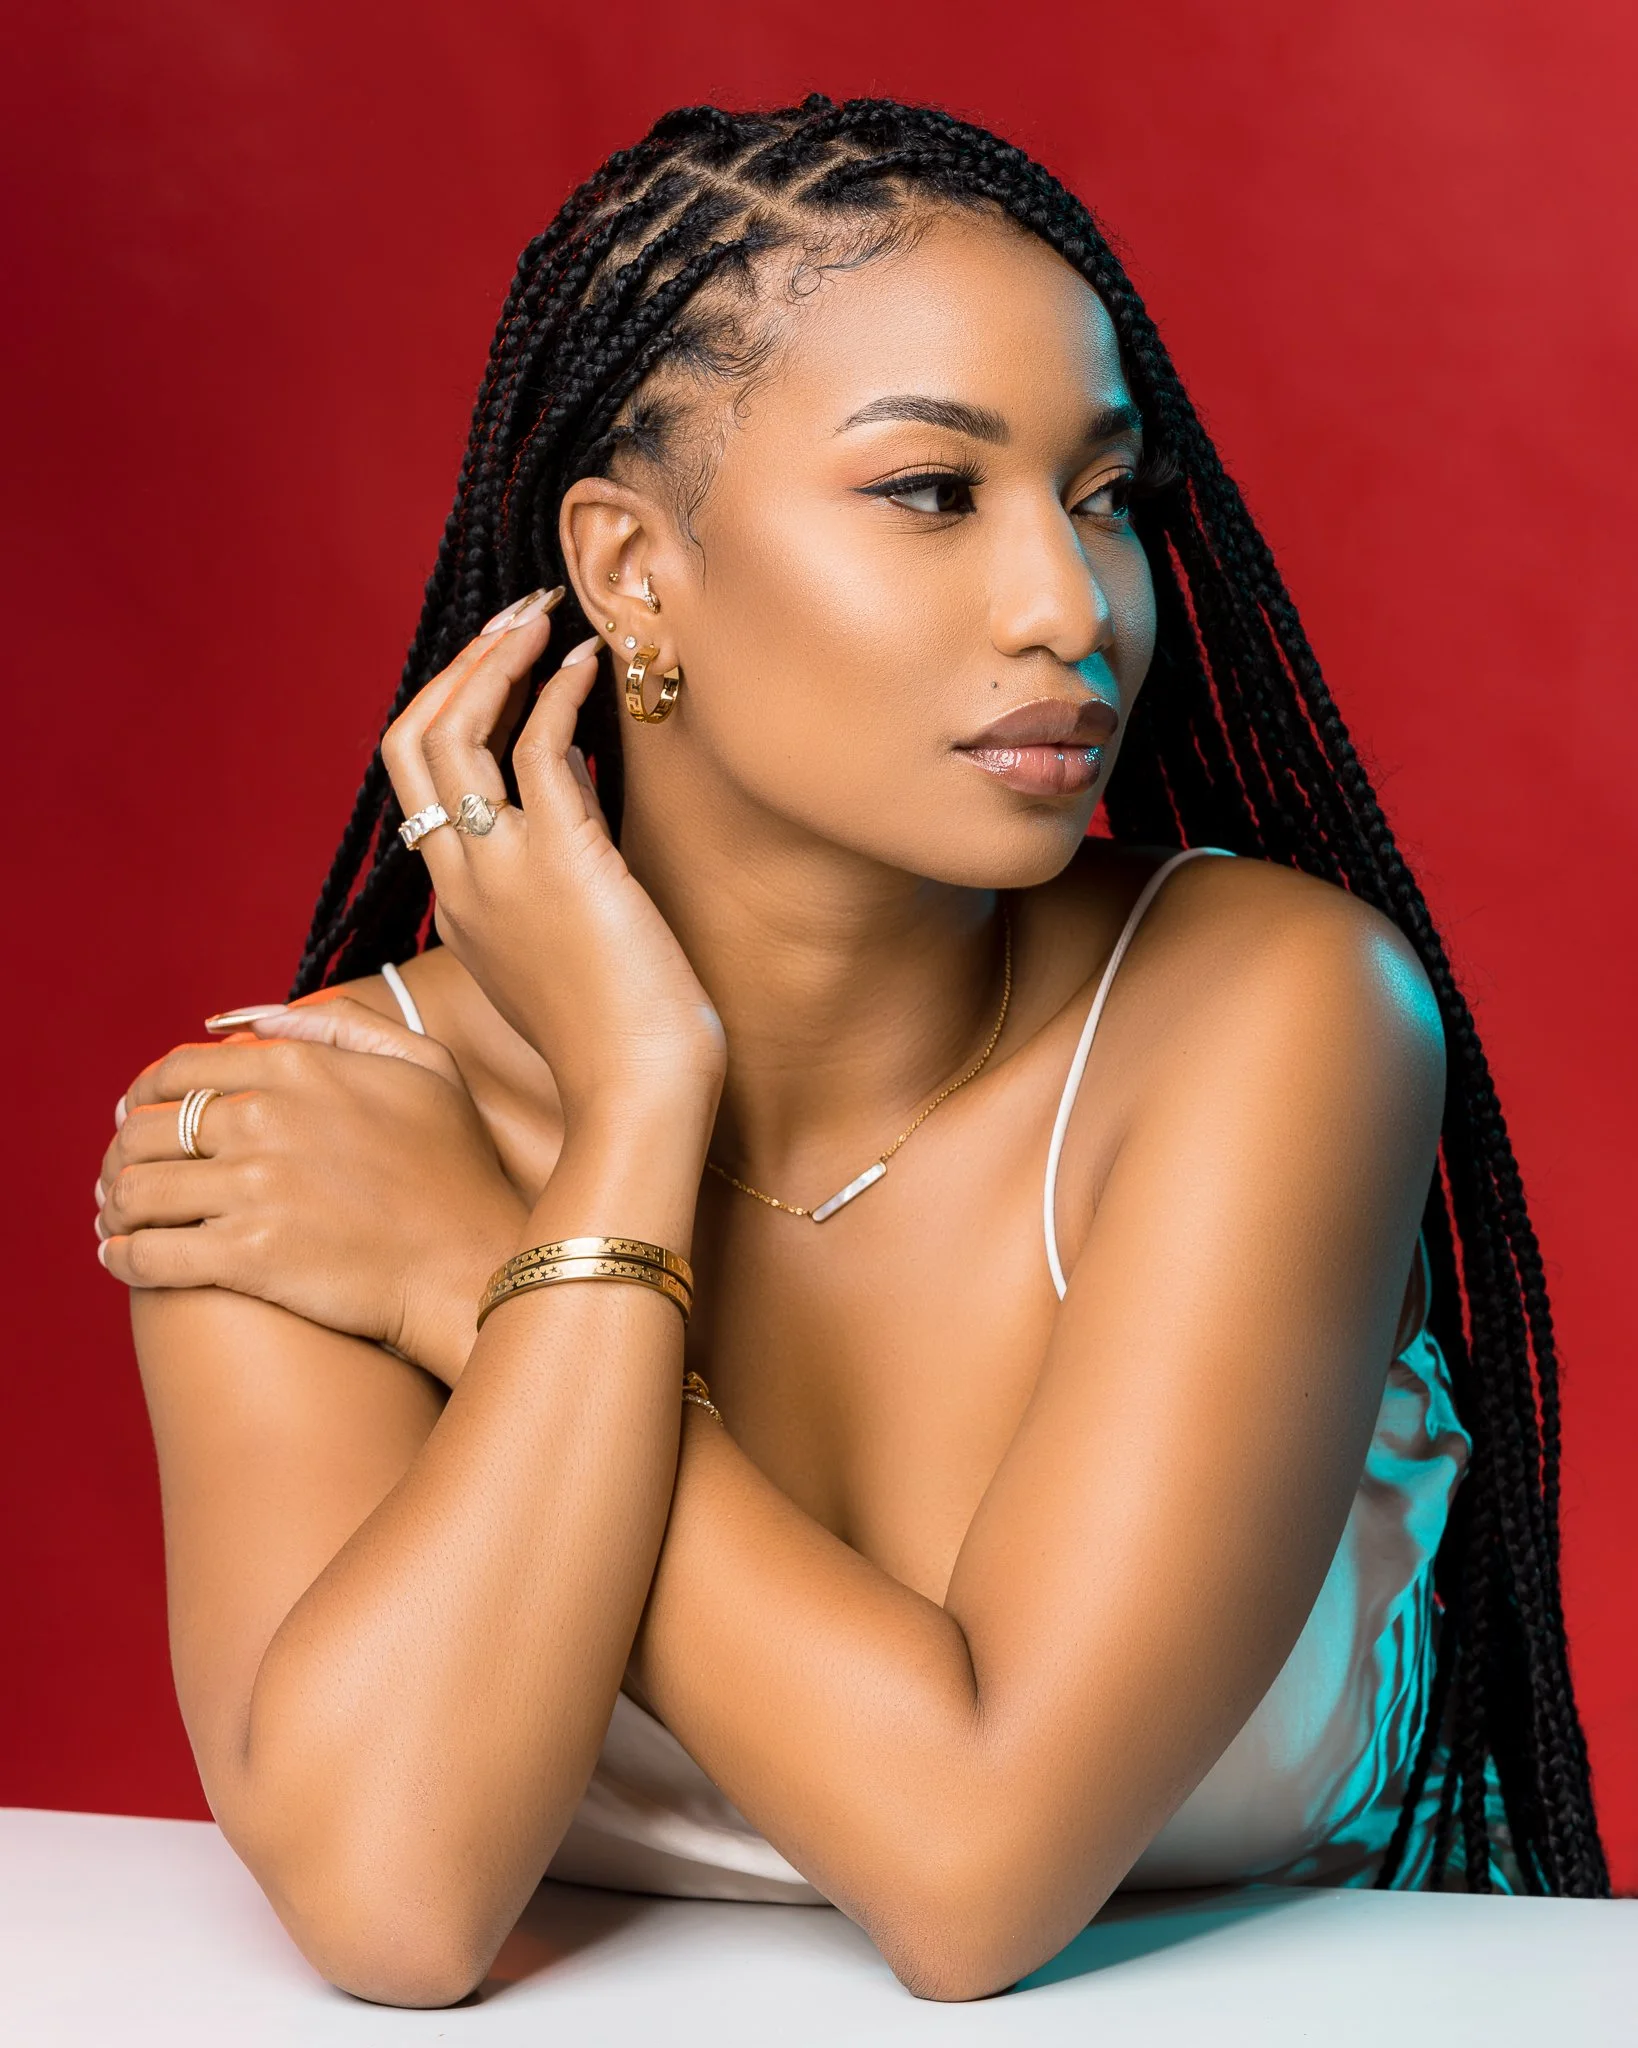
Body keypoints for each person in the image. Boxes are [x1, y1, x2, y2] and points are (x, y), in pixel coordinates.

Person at [93, 96, 1607, 2007]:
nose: (1075, 607)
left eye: (1104, 495)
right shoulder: (308, 1125)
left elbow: (977, 1871)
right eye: (930, 492)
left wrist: (481, 1278)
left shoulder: (1270, 1013)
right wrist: (641, 1106)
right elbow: (395, 1904)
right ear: (635, 571)